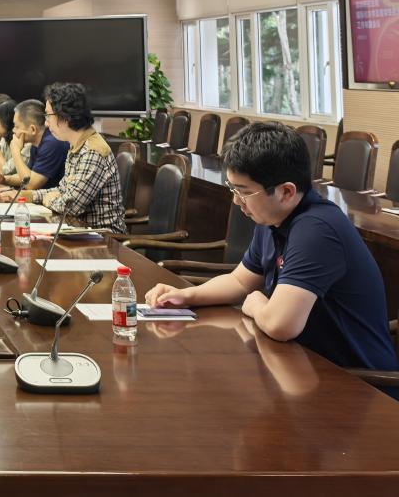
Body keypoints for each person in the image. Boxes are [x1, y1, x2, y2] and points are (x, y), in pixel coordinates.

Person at [146, 122, 398, 372]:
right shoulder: (272, 221)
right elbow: (239, 282)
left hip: (360, 381)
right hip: (305, 366)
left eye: (244, 192)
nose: (236, 201)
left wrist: (256, 303)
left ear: (286, 192)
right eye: (233, 189)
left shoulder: (317, 230)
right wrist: (187, 296)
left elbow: (280, 325)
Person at [25, 83, 125, 233]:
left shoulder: (92, 151)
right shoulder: (76, 145)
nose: (46, 123)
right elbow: (63, 191)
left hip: (103, 238)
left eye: (48, 115)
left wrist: (47, 199)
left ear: (64, 117)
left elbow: (71, 206)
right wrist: (30, 196)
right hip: (81, 231)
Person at [0, 99, 70, 193]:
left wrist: (15, 152)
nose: (13, 130)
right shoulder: (37, 142)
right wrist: (4, 179)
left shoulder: (52, 143)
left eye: (17, 127)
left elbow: (31, 184)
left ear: (32, 129)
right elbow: (29, 175)